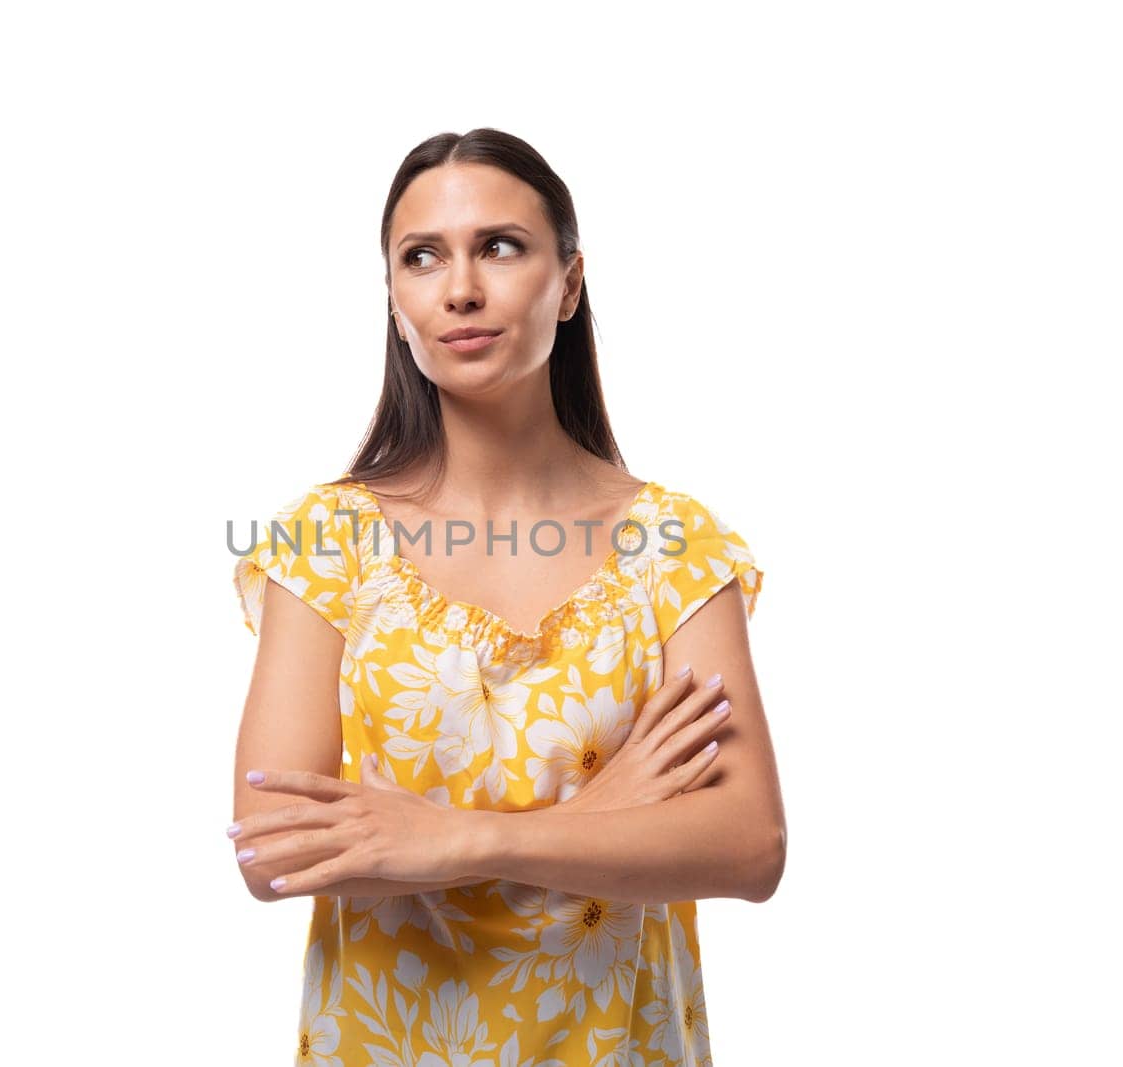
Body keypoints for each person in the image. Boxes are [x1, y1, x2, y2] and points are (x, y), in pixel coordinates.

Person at [227, 127, 786, 1067]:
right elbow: (275, 855)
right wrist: (605, 812)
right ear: (395, 299)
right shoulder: (328, 543)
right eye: (422, 258)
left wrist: (450, 838)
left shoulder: (675, 544)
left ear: (568, 282)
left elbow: (747, 844)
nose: (460, 290)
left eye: (500, 246)